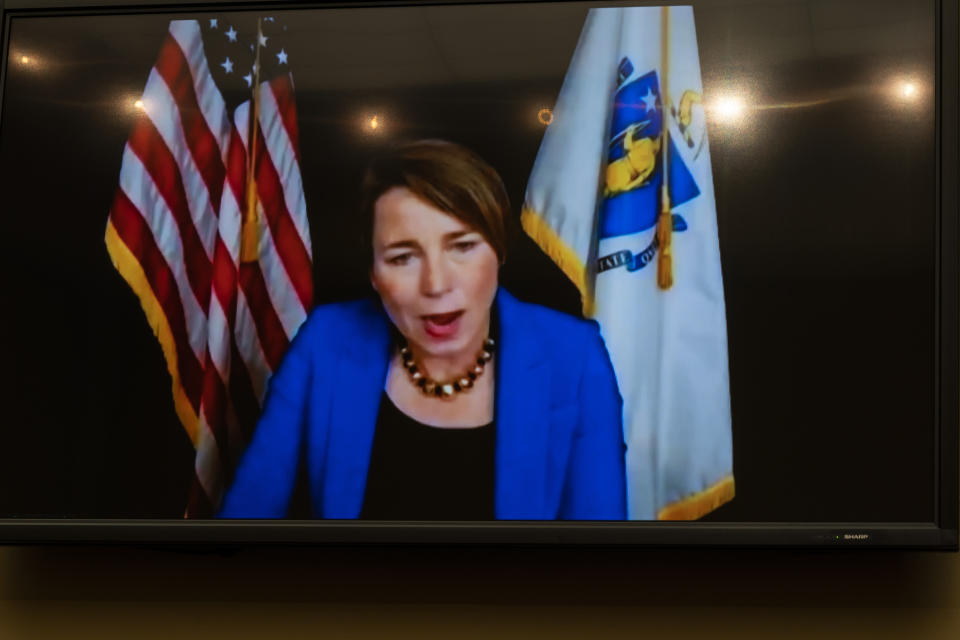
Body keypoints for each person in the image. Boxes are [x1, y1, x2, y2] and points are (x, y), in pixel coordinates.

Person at [218, 140, 626, 520]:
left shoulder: (574, 356)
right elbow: (245, 521)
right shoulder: (325, 342)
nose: (436, 284)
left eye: (462, 247)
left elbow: (595, 560)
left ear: (499, 251)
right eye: (402, 257)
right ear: (374, 275)